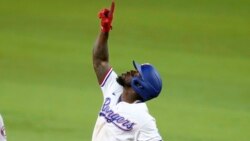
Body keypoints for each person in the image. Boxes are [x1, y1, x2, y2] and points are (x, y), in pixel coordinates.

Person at [92, 1, 163, 140]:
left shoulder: (143, 119)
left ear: (140, 85)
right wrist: (104, 30)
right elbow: (100, 62)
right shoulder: (115, 88)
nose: (130, 71)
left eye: (136, 73)